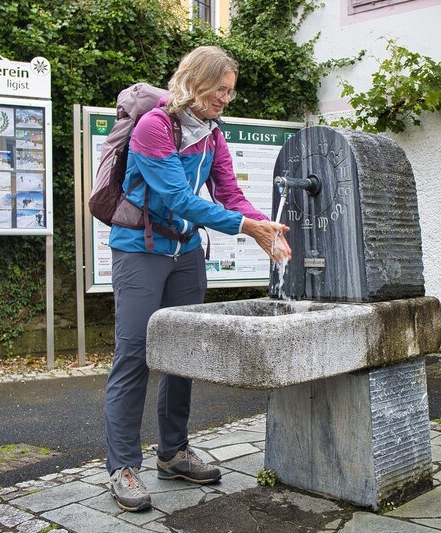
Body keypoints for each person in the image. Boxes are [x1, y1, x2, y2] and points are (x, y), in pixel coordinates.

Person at [105, 46, 291, 512]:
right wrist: (244, 228)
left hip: (186, 254)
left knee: (183, 351)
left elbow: (229, 193)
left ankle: (173, 453)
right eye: (221, 89)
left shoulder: (212, 135)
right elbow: (176, 197)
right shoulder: (154, 127)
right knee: (134, 354)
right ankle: (123, 466)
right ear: (194, 81)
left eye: (231, 91)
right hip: (141, 251)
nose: (226, 99)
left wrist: (264, 228)